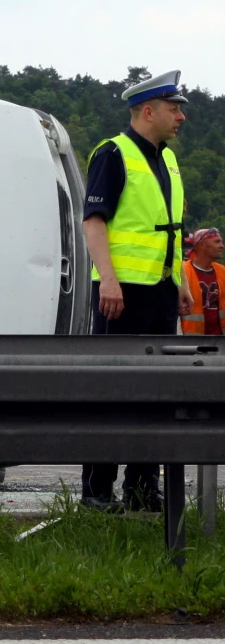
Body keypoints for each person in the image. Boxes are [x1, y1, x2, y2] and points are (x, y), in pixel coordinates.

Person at [81, 70, 194, 512]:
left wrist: (179, 281)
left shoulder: (166, 159)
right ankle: (96, 492)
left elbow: (166, 228)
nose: (180, 116)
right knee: (109, 393)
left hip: (162, 292)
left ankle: (143, 489)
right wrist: (107, 278)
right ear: (149, 111)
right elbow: (95, 222)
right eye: (174, 108)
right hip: (121, 292)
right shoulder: (114, 153)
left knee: (155, 393)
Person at [182, 227, 225, 335]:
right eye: (217, 242)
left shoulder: (222, 271)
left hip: (220, 342)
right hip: (192, 342)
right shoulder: (183, 272)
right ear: (202, 245)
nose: (222, 246)